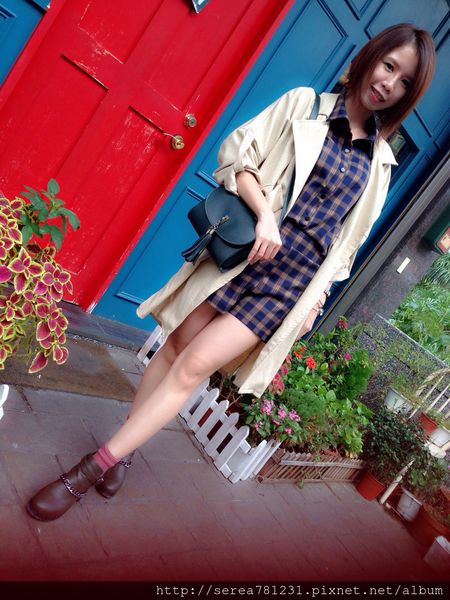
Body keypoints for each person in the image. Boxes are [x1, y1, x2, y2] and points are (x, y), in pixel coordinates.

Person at [26, 23, 435, 521]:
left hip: (288, 285)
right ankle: (125, 451)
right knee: (174, 347)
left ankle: (88, 470)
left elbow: (348, 244)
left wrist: (318, 299)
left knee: (194, 366)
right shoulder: (304, 105)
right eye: (389, 66)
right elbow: (239, 154)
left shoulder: (380, 164)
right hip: (242, 255)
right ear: (371, 57)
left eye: (404, 81)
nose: (389, 83)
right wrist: (265, 214)